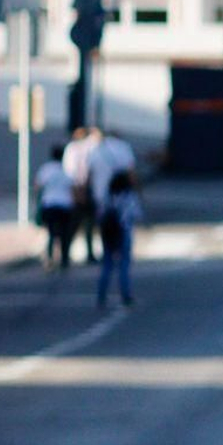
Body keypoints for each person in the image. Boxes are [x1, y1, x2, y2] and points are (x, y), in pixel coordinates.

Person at [95, 165, 142, 310]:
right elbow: (137, 214)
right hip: (124, 231)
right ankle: (125, 295)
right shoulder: (129, 197)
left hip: (108, 233)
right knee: (124, 264)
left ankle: (101, 294)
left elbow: (100, 214)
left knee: (107, 264)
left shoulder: (108, 196)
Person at [35, 142, 78, 270]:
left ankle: (49, 257)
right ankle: (64, 259)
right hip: (64, 205)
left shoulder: (45, 169)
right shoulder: (66, 171)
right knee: (64, 234)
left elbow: (38, 186)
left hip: (49, 204)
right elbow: (73, 189)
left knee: (51, 233)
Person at [62, 124, 99, 263]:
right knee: (80, 223)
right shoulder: (83, 149)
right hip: (81, 188)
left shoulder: (73, 149)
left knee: (81, 223)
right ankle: (72, 252)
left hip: (79, 188)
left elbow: (69, 170)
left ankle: (72, 253)